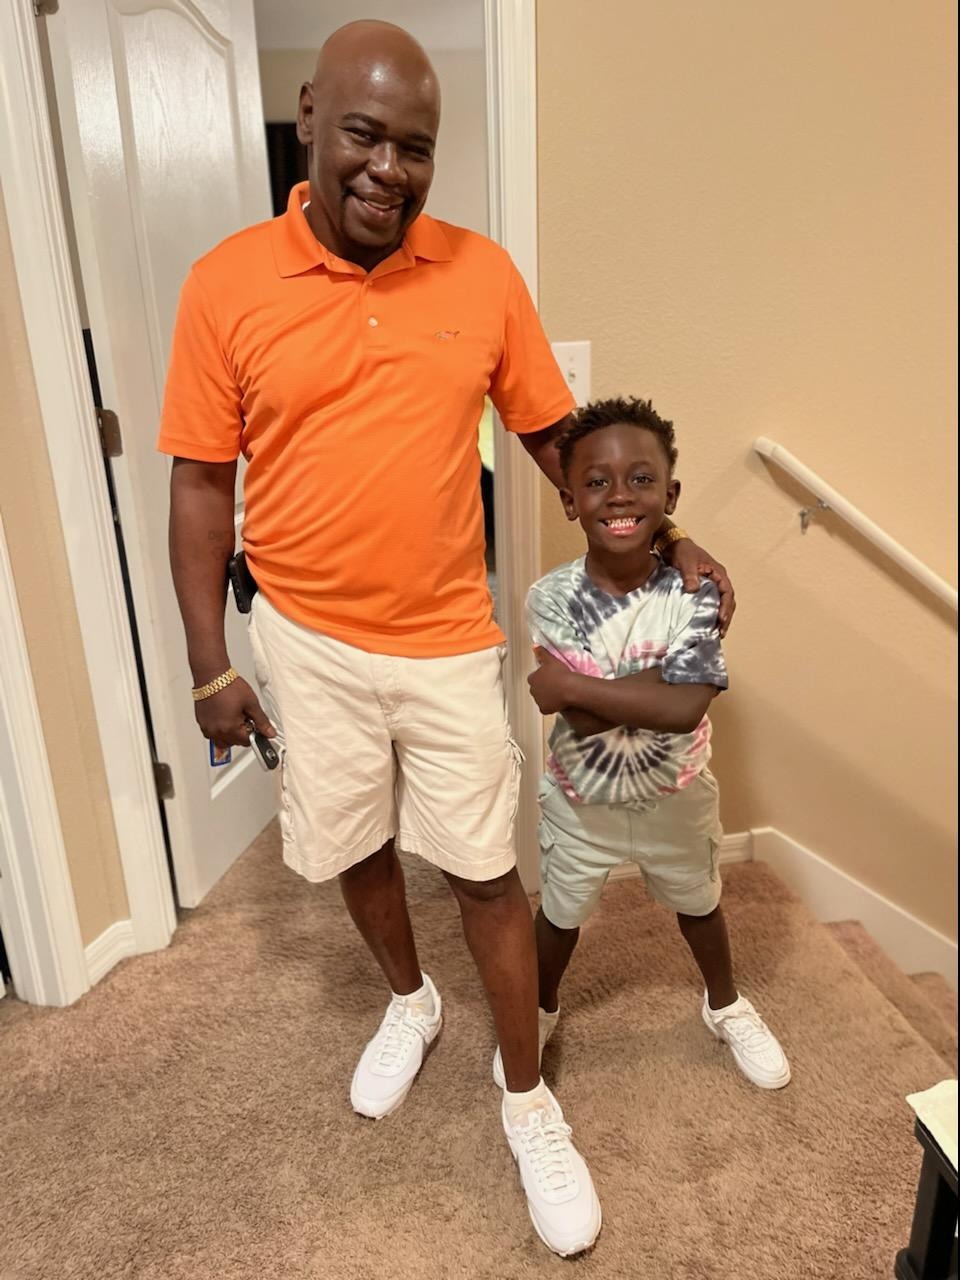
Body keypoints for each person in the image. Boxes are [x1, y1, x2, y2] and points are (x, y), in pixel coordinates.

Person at [158, 21, 734, 1256]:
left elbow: (560, 441)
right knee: (353, 839)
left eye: (415, 147)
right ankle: (410, 1001)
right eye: (364, 136)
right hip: (304, 636)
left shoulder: (481, 275)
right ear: (309, 117)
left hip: (444, 635)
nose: (389, 169)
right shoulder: (223, 283)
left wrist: (670, 536)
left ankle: (527, 1099)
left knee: (483, 868)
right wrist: (211, 663)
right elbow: (202, 484)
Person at [513, 397, 790, 1093]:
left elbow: (685, 708)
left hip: (678, 796)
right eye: (596, 482)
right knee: (559, 916)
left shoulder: (698, 587)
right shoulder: (551, 598)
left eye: (641, 479)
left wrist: (575, 686)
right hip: (581, 804)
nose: (619, 496)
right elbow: (581, 723)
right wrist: (660, 681)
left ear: (670, 497)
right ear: (569, 500)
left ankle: (724, 1003)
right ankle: (538, 1010)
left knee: (700, 904)